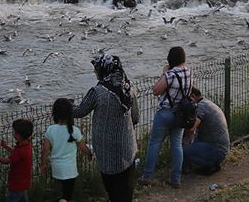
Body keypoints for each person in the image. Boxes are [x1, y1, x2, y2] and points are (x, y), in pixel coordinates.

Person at [73, 54, 139, 202]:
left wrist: (63, 105)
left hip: (107, 152)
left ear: (104, 69)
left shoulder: (98, 91)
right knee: (125, 189)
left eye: (96, 69)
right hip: (128, 148)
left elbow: (79, 112)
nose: (95, 72)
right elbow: (135, 117)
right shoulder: (128, 87)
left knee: (112, 188)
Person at [141, 46, 192, 188]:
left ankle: (147, 176)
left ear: (170, 59)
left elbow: (156, 90)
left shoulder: (170, 74)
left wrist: (164, 74)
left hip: (165, 113)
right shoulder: (189, 72)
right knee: (177, 145)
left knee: (155, 144)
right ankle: (175, 179)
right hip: (180, 114)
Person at [42, 99, 93, 202]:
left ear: (54, 114)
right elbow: (83, 148)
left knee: (60, 190)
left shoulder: (50, 129)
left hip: (56, 168)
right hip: (70, 170)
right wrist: (89, 154)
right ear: (70, 114)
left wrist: (43, 164)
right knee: (67, 194)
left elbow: (45, 150)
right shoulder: (75, 131)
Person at [183, 86, 230, 175]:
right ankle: (212, 163)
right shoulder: (207, 103)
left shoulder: (200, 107)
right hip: (221, 148)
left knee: (182, 150)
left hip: (216, 149)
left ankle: (211, 165)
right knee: (191, 144)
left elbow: (192, 128)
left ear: (192, 96)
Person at [0, 119, 33, 202]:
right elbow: (15, 154)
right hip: (24, 183)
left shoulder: (21, 150)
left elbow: (6, 161)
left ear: (19, 135)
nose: (14, 134)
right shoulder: (26, 146)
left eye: (15, 133)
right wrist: (6, 146)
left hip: (16, 185)